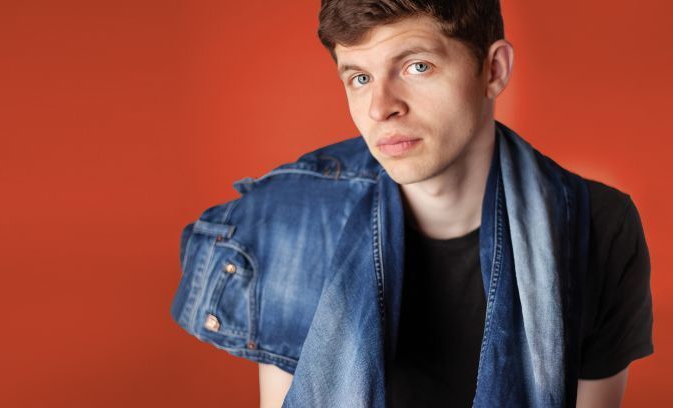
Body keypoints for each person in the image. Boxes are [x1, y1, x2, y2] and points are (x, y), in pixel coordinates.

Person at [170, 1, 654, 407]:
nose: (381, 107)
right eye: (359, 77)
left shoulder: (597, 226)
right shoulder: (293, 219)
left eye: (416, 66)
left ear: (494, 70)